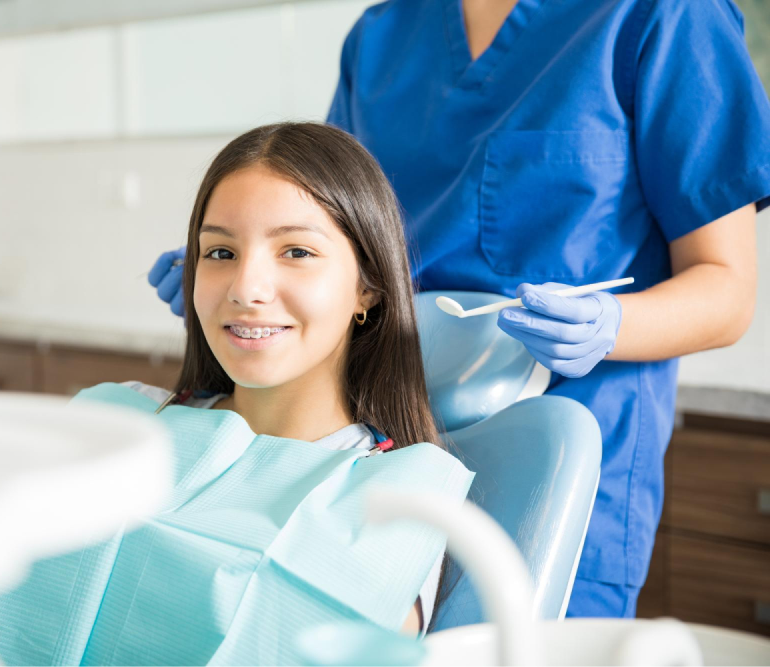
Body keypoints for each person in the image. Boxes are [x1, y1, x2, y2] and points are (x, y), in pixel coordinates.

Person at [149, 0, 770, 619]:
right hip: (370, 444)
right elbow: (335, 223)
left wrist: (611, 327)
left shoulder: (663, 15)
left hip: (559, 453)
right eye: (219, 251)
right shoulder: (381, 37)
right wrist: (246, 275)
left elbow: (726, 291)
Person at [0, 122, 474, 667]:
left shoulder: (393, 502)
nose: (246, 288)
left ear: (366, 285)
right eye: (220, 253)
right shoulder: (119, 421)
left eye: (295, 251)